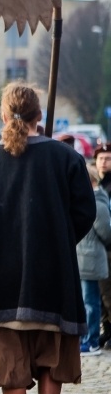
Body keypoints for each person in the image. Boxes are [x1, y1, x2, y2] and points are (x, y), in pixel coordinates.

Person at [0, 82, 94, 394]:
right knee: (50, 356)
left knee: (10, 366)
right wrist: (59, 240)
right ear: (40, 116)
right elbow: (84, 213)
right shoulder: (67, 158)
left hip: (0, 278)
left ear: (3, 116)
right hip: (52, 276)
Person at [76, 165, 111, 356]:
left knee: (91, 303)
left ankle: (92, 341)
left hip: (92, 260)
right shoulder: (90, 200)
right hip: (84, 261)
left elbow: (106, 232)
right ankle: (87, 338)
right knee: (86, 302)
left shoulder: (97, 203)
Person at [93, 143, 111, 348]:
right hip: (97, 245)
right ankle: (106, 328)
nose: (104, 162)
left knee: (107, 294)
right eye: (101, 159)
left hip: (108, 244)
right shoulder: (94, 183)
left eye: (108, 158)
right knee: (98, 294)